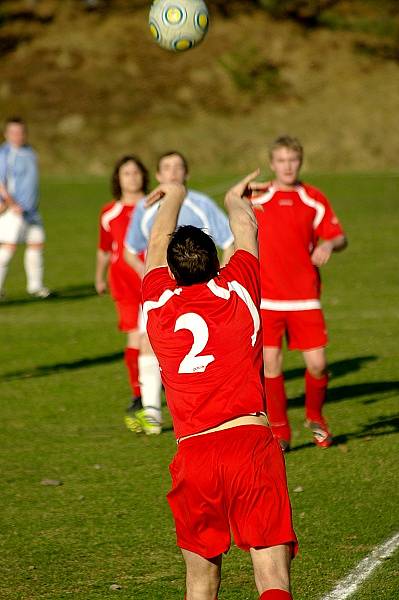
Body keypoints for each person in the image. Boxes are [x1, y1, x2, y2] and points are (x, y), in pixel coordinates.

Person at [141, 171, 297, 600]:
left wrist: (174, 192)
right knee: (271, 577)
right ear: (216, 262)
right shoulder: (239, 290)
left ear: (171, 271)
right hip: (248, 444)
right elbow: (246, 227)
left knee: (201, 581)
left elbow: (156, 242)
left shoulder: (157, 303)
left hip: (194, 454)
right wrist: (233, 197)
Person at [247, 135, 347, 451]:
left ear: (300, 161)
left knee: (317, 364)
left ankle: (314, 416)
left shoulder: (313, 198)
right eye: (281, 160)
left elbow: (338, 236)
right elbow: (234, 221)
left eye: (293, 159)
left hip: (305, 296)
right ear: (272, 164)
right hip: (268, 297)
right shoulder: (258, 197)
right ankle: (280, 431)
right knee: (271, 364)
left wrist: (327, 245)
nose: (287, 166)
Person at [123, 151, 234, 435]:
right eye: (167, 168)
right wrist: (150, 279)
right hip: (160, 291)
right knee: (147, 341)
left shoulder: (202, 204)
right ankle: (152, 413)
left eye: (178, 167)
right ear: (158, 175)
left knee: (201, 345)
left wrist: (217, 277)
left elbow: (228, 241)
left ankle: (211, 407)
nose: (173, 172)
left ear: (186, 174)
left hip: (199, 291)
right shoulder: (145, 208)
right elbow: (129, 250)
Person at [95, 155, 148, 410]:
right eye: (127, 173)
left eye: (136, 172)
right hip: (124, 282)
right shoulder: (109, 212)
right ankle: (138, 393)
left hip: (153, 278)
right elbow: (105, 248)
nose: (132, 177)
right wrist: (99, 277)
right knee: (135, 337)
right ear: (118, 178)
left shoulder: (154, 206)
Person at [0, 117, 50, 298]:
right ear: (6, 134)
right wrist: (10, 204)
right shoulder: (5, 154)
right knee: (7, 249)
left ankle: (35, 286)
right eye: (13, 132)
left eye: (21, 132)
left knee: (36, 244)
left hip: (32, 211)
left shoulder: (30, 152)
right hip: (14, 210)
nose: (18, 136)